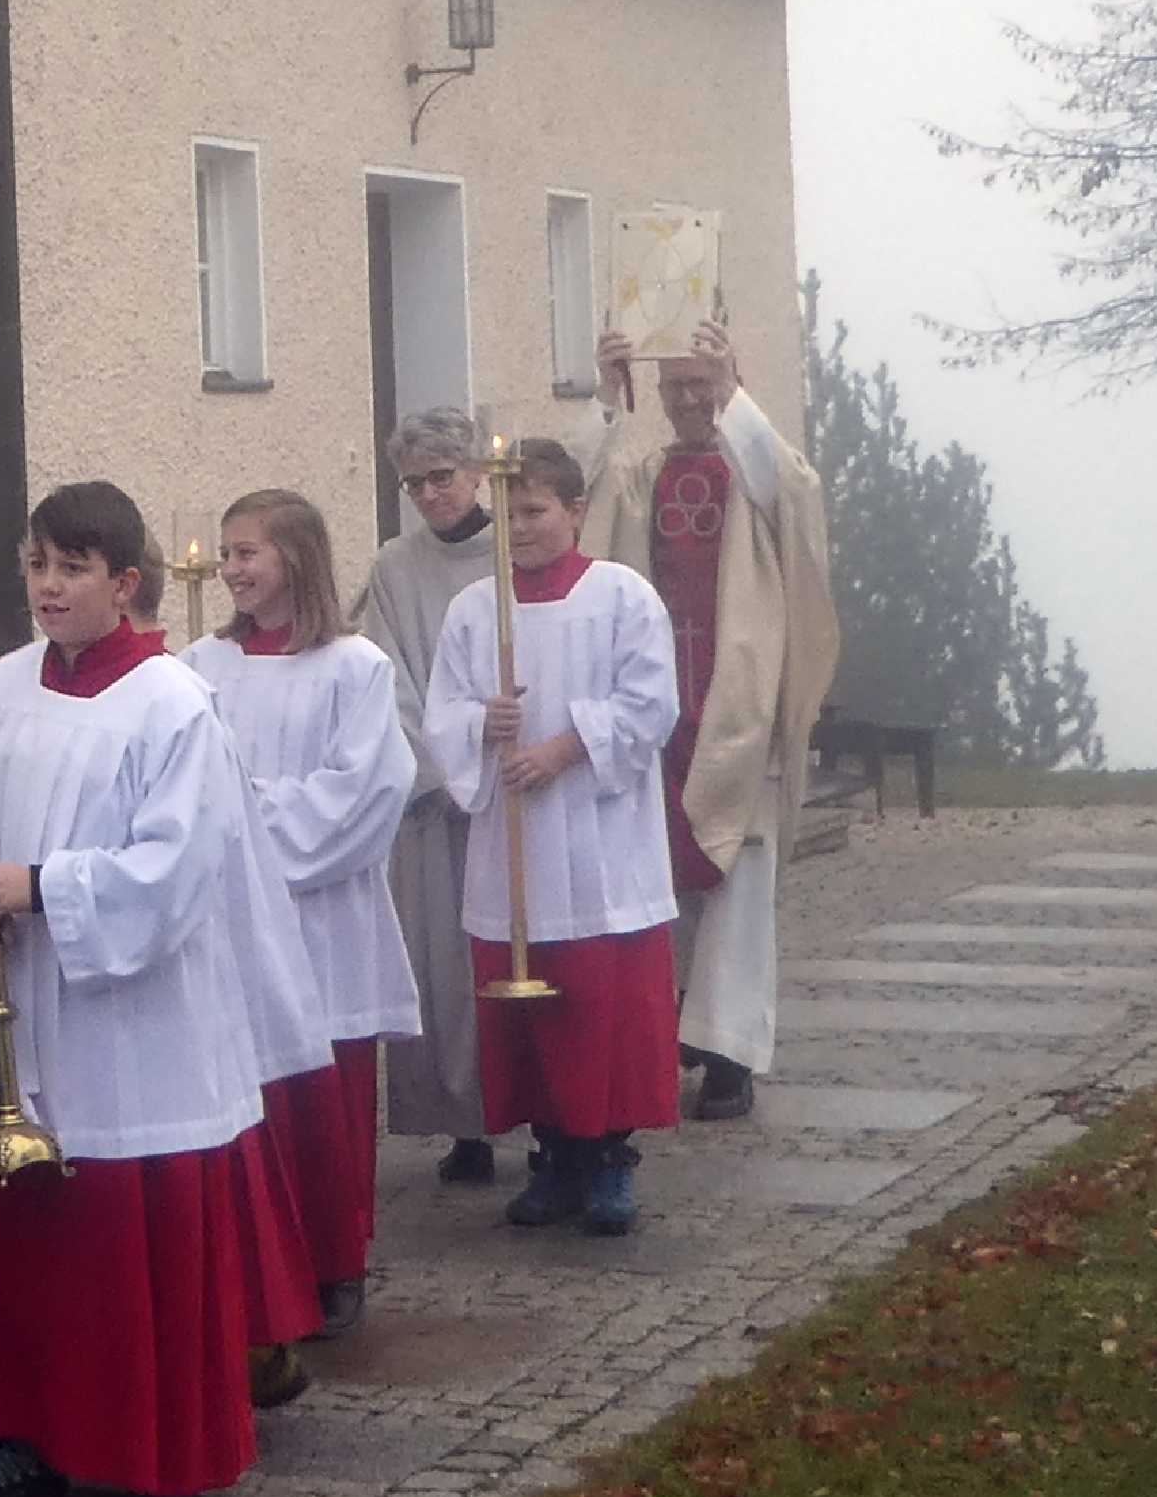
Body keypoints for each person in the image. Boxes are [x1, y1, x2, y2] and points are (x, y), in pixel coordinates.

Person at [0, 481, 329, 1497]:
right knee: (20, 1241)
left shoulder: (170, 704)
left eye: (73, 568)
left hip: (133, 1025)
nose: (48, 587)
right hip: (22, 1005)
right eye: (36, 565)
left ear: (125, 582)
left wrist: (42, 887)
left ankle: (146, 1455)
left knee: (121, 1244)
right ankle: (15, 1433)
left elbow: (177, 866)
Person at [424, 436, 682, 1237]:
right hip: (515, 849)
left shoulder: (623, 596)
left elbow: (652, 703)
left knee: (603, 1008)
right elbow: (441, 713)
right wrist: (482, 723)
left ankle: (608, 1158)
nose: (520, 528)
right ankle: (554, 1156)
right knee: (530, 1013)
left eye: (534, 511)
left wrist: (565, 749)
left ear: (575, 509)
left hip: (600, 844)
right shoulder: (476, 609)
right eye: (507, 514)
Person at [582, 317, 839, 1119]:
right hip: (662, 712)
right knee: (658, 879)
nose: (690, 401)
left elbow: (794, 493)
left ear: (727, 385)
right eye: (677, 388)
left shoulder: (756, 476)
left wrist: (735, 393)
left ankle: (730, 1052)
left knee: (738, 882)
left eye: (703, 386)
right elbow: (581, 500)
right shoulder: (644, 476)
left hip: (737, 709)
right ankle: (676, 1026)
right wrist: (605, 397)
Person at [185, 491, 418, 1337]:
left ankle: (333, 1261)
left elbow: (367, 792)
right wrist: (232, 824)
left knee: (324, 1101)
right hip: (234, 923)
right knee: (246, 1099)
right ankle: (252, 1269)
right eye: (227, 552)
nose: (230, 569)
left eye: (247, 552)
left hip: (323, 921)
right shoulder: (198, 667)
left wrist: (248, 821)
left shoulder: (356, 668)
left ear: (298, 557)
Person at [357, 409, 501, 1181]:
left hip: (513, 785)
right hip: (436, 799)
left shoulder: (514, 550)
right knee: (444, 964)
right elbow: (388, 677)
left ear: (477, 473)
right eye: (413, 484)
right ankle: (464, 1124)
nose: (429, 495)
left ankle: (546, 1119)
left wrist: (492, 760)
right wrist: (441, 769)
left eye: (442, 478)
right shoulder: (395, 566)